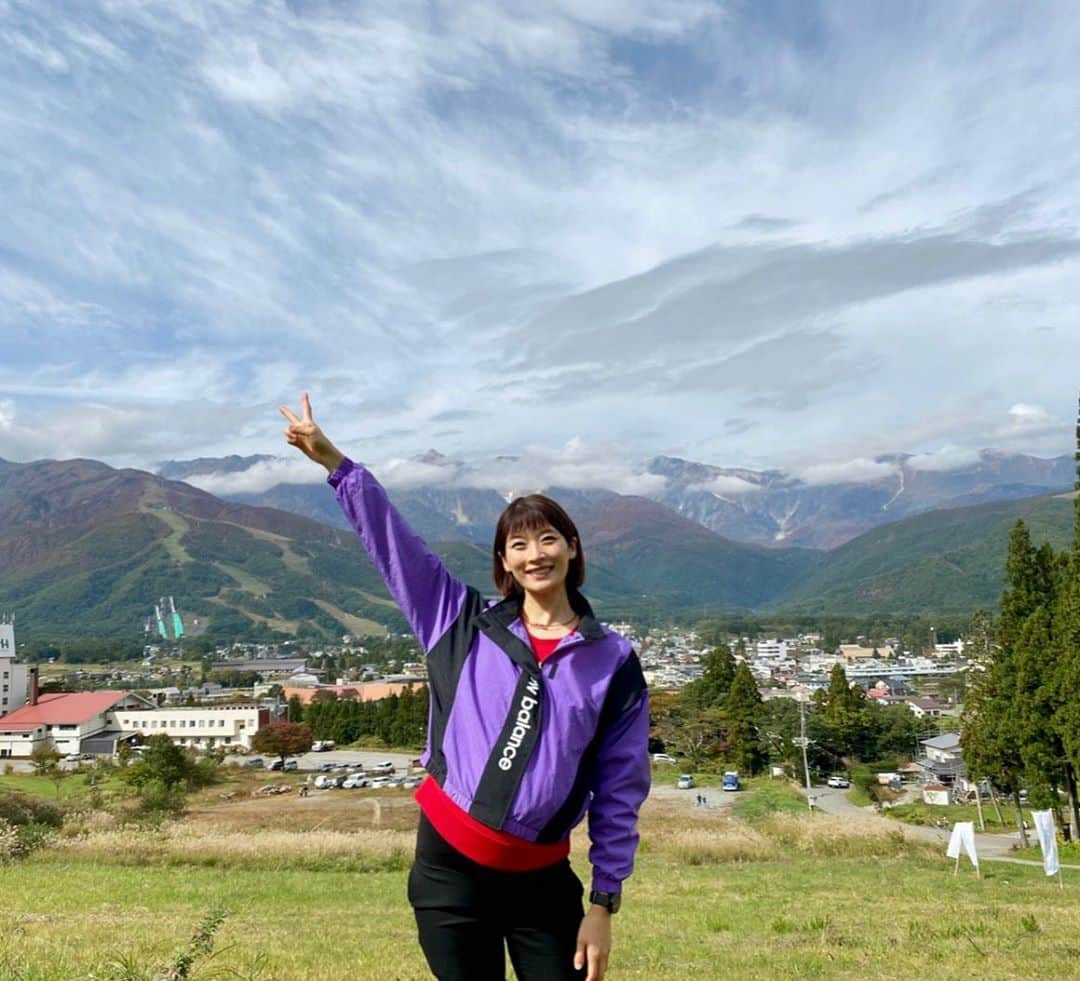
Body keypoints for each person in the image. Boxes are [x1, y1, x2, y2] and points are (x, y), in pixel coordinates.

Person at [279, 395, 650, 981]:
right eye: (519, 545)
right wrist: (336, 464)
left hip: (542, 882)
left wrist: (603, 902)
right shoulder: (459, 622)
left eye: (549, 539)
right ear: (504, 561)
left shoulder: (613, 661)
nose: (536, 555)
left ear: (572, 548)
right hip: (449, 874)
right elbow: (397, 549)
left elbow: (620, 785)